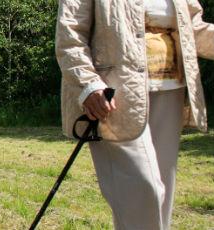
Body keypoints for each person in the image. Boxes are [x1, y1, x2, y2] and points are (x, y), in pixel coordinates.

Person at [57, 0, 214, 229]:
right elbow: (70, 35)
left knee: (160, 197)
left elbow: (193, 29)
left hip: (170, 91)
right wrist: (89, 84)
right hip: (114, 99)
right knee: (143, 190)